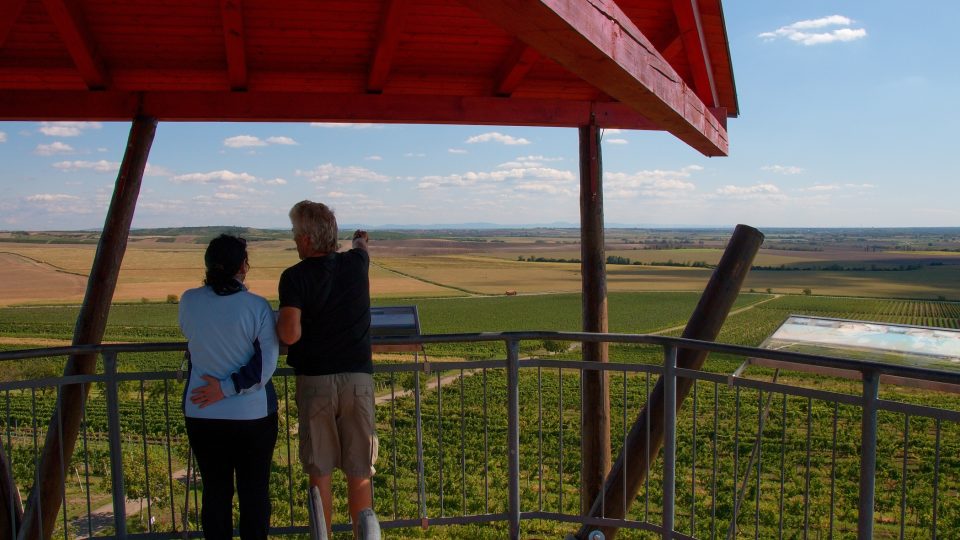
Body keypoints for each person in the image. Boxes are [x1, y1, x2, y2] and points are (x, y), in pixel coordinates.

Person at [277, 201, 377, 538]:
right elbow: (361, 248)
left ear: (306, 240)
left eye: (294, 233)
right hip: (358, 379)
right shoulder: (357, 264)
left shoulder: (294, 277)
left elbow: (290, 334)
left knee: (320, 469)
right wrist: (360, 240)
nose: (294, 239)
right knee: (359, 469)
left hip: (315, 380)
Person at [179, 234, 279, 540]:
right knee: (254, 494)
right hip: (252, 416)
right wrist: (227, 387)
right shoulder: (257, 307)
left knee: (215, 493)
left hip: (202, 413)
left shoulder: (189, 301)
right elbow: (265, 366)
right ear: (243, 267)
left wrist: (217, 389)